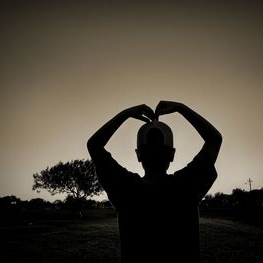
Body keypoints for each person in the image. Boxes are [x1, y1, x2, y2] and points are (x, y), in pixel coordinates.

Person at [87, 101, 222, 263]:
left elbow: (94, 145)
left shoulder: (126, 187)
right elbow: (214, 140)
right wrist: (181, 108)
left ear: (138, 155)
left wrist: (125, 114)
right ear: (172, 154)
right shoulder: (186, 185)